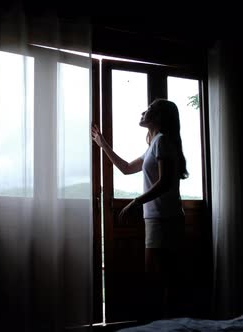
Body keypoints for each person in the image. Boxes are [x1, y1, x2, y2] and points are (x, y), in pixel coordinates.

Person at [91, 98, 187, 320]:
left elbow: (165, 182)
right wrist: (102, 143)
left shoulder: (162, 141)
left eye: (150, 110)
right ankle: (166, 323)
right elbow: (125, 168)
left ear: (160, 117)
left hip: (166, 220)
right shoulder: (154, 144)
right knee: (161, 280)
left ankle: (167, 324)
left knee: (161, 281)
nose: (144, 112)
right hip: (158, 219)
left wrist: (135, 202)